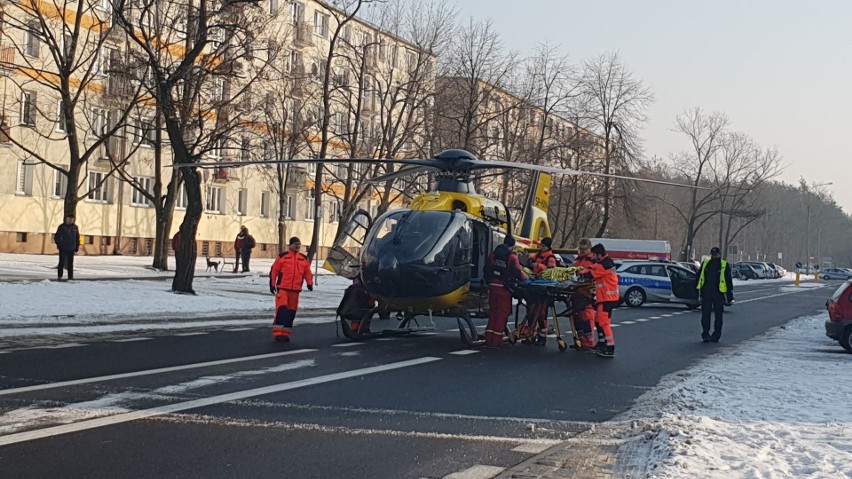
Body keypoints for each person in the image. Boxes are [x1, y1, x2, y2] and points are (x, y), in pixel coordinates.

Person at [483, 235, 527, 348]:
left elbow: (486, 268)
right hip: (504, 288)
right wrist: (526, 278)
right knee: (502, 314)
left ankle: (488, 339)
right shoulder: (511, 257)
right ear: (512, 246)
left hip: (492, 286)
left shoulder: (493, 254)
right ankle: (497, 340)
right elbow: (518, 272)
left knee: (493, 312)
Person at [269, 237, 313, 341]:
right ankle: (278, 333)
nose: (297, 246)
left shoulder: (303, 258)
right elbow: (274, 270)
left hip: (295, 290)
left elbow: (307, 272)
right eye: (295, 244)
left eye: (299, 244)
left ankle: (286, 333)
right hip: (283, 288)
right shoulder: (283, 257)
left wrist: (309, 283)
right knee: (282, 309)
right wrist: (272, 284)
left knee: (291, 312)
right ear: (290, 245)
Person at [582, 243, 619, 358]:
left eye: (594, 255)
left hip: (606, 298)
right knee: (598, 320)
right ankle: (602, 342)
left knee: (604, 323)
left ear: (599, 254)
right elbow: (594, 267)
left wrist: (579, 272)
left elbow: (590, 274)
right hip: (608, 297)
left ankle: (609, 347)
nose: (593, 257)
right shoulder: (606, 262)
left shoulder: (603, 265)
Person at [525, 237, 559, 345]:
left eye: (543, 246)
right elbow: (531, 263)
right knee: (531, 310)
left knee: (541, 313)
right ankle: (531, 334)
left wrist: (539, 266)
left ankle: (542, 337)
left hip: (544, 287)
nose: (541, 247)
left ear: (547, 247)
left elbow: (551, 271)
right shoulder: (538, 255)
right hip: (535, 285)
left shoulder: (550, 258)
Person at [697, 247, 734, 343]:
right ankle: (705, 334)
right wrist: (696, 289)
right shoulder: (706, 263)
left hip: (718, 295)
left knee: (718, 316)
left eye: (715, 254)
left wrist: (730, 295)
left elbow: (728, 280)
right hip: (706, 294)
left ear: (719, 254)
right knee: (705, 316)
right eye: (712, 254)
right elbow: (699, 276)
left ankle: (716, 334)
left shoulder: (724, 265)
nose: (714, 256)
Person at [571, 238, 598, 349]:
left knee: (586, 316)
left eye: (584, 249)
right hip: (577, 291)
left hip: (587, 291)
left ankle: (589, 342)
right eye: (580, 249)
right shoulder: (579, 259)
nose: (581, 251)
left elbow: (593, 274)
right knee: (577, 316)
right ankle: (581, 340)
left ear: (589, 248)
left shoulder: (592, 260)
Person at [54, 214, 80, 281]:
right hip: (63, 248)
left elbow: (77, 238)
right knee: (61, 263)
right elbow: (57, 237)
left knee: (70, 264)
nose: (70, 220)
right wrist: (59, 245)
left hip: (72, 248)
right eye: (69, 219)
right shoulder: (62, 227)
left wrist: (77, 246)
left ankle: (70, 277)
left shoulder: (75, 227)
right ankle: (59, 276)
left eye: (72, 219)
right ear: (66, 219)